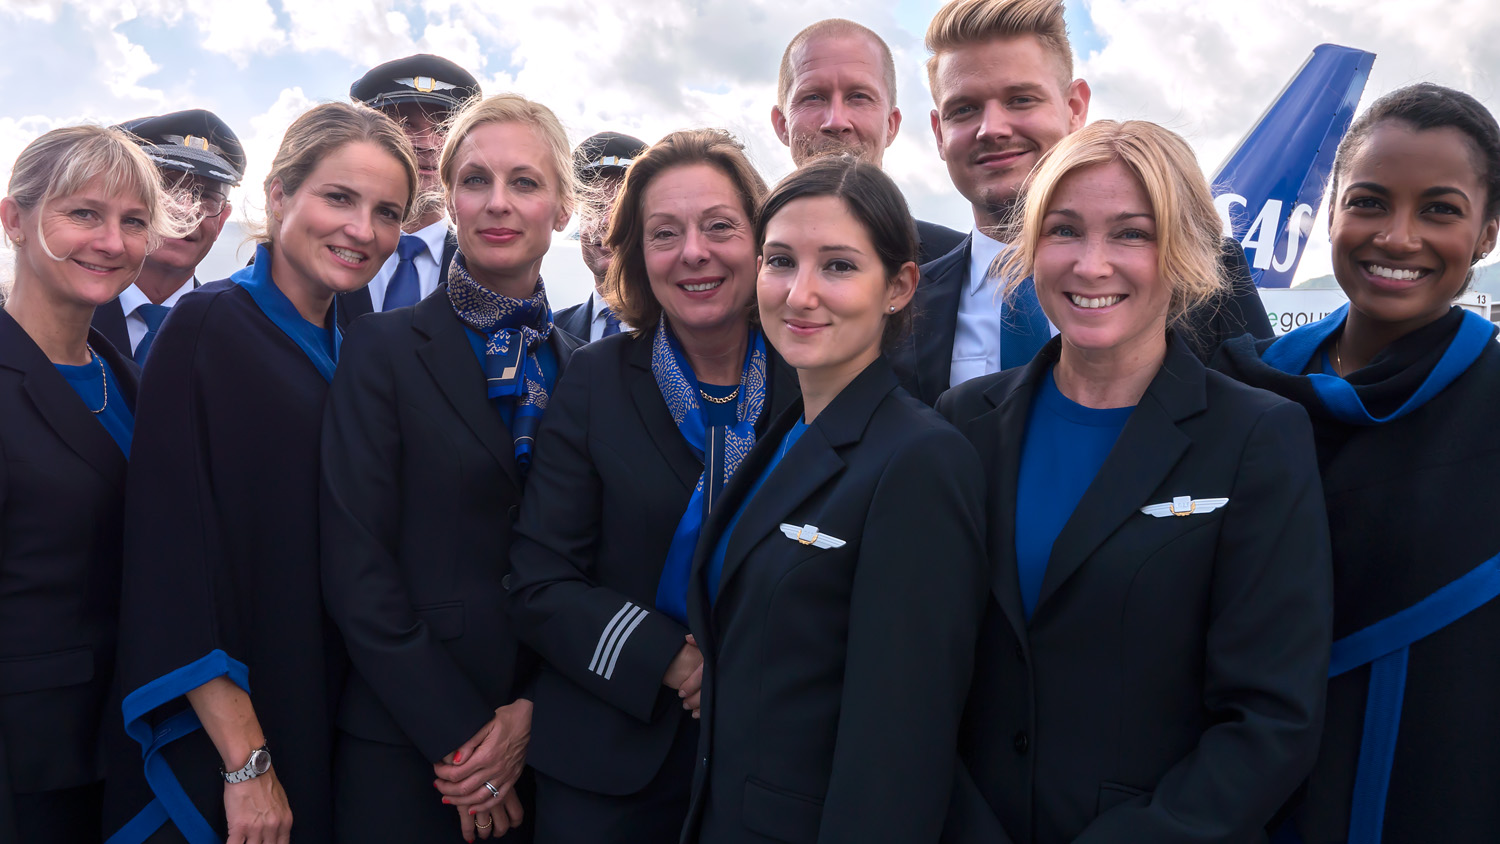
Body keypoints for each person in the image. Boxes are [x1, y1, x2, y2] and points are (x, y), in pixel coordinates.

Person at [937, 119, 1331, 843]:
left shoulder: (1257, 438)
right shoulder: (964, 421)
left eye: (1131, 234)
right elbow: (923, 669)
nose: (1091, 265)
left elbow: (1271, 719)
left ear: (1183, 253)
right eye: (1064, 230)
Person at [104, 102, 417, 844]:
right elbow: (173, 556)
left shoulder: (365, 341)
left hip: (333, 697)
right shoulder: (207, 328)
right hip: (235, 722)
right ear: (279, 196)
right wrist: (246, 762)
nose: (362, 230)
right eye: (339, 197)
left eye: (387, 212)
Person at [1216, 83, 1500, 844]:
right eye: (1369, 203)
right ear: (1332, 215)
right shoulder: (1241, 388)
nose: (1398, 238)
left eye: (1439, 210)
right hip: (1235, 787)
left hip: (1436, 784)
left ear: (1486, 235)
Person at [679, 154, 986, 843]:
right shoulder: (785, 433)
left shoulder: (920, 460)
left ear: (899, 287)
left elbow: (899, 748)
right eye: (781, 261)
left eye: (839, 266)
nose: (799, 294)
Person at [504, 128, 798, 844]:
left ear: (762, 242)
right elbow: (540, 580)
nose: (693, 252)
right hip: (608, 767)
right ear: (637, 253)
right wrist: (671, 657)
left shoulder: (811, 380)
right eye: (665, 233)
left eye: (720, 227)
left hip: (775, 762)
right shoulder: (593, 381)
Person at [321, 92, 583, 844]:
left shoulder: (584, 369)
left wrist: (530, 714)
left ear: (563, 208)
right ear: (449, 200)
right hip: (405, 742)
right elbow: (356, 564)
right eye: (475, 181)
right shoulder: (382, 348)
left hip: (545, 746)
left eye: (525, 182)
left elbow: (596, 562)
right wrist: (463, 739)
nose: (498, 202)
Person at [896, 0, 1273, 406]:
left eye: (1020, 100)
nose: (992, 129)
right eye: (964, 109)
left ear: (1075, 108)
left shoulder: (1206, 278)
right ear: (939, 133)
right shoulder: (897, 308)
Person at [0, 124, 190, 844]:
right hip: (31, 771)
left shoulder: (134, 380)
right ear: (14, 220)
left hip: (136, 751)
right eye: (83, 213)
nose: (112, 242)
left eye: (133, 222)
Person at [772, 18, 965, 265]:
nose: (836, 121)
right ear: (782, 124)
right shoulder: (742, 270)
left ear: (891, 124)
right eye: (813, 98)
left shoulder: (960, 265)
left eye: (859, 97)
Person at [90, 110, 245, 363]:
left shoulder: (237, 337)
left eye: (206, 196)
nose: (185, 210)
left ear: (221, 221)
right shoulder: (64, 312)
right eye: (166, 187)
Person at [343, 53, 482, 326]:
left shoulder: (486, 265)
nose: (427, 143)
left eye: (443, 127)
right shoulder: (323, 247)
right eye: (405, 125)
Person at [555, 131, 649, 342]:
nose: (606, 220)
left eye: (621, 208)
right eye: (595, 206)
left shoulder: (685, 332)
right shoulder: (550, 335)